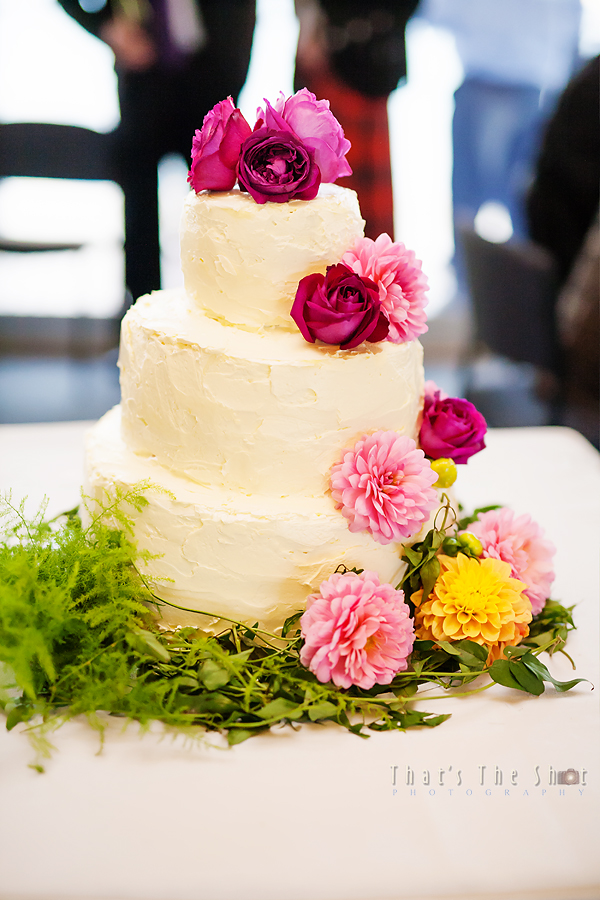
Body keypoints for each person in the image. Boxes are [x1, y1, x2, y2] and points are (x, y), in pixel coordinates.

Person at [57, 0, 256, 303]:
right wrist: (106, 27)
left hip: (211, 73)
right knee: (139, 216)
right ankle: (140, 316)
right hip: (142, 81)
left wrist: (232, 69)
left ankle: (224, 315)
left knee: (221, 212)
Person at [294, 0, 419, 240]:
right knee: (326, 204)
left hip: (365, 57)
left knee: (353, 210)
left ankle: (366, 270)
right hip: (338, 54)